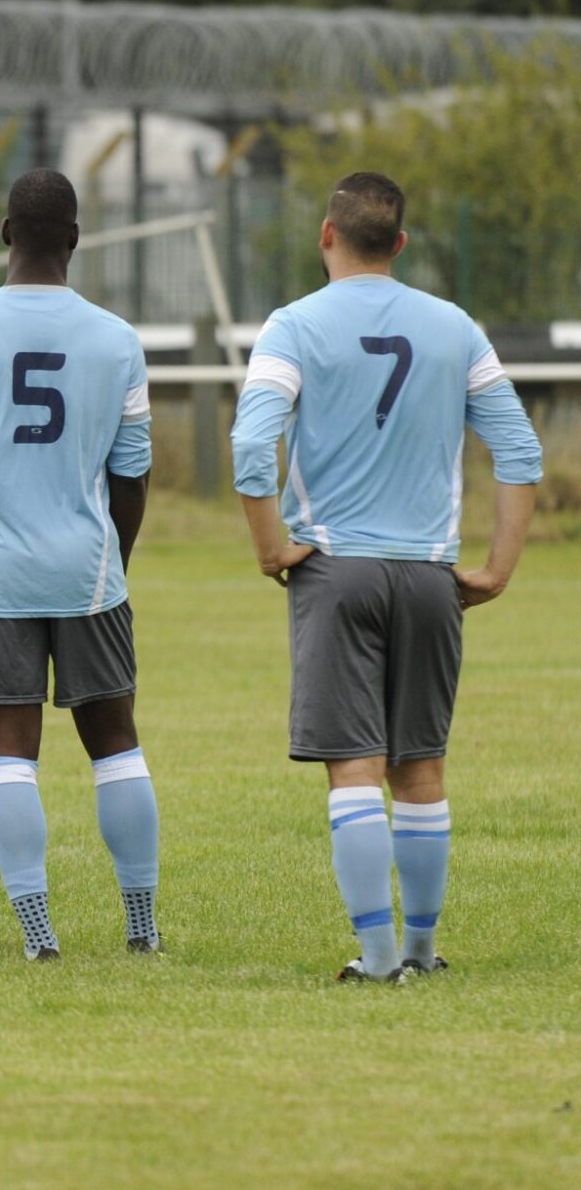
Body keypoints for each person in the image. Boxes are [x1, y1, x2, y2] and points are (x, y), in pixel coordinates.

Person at [230, 172, 542, 983]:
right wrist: (498, 568)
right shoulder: (455, 327)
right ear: (400, 244)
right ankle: (421, 951)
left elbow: (251, 444)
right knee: (421, 769)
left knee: (354, 769)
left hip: (336, 570)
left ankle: (374, 958)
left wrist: (270, 548)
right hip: (431, 575)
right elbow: (520, 451)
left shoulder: (293, 325)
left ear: (326, 235)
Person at [0, 168, 159, 962]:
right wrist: (113, 561)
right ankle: (141, 925)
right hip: (90, 571)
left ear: (4, 235)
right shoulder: (117, 339)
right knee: (116, 742)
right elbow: (132, 475)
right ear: (77, 240)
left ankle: (37, 934)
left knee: (9, 751)